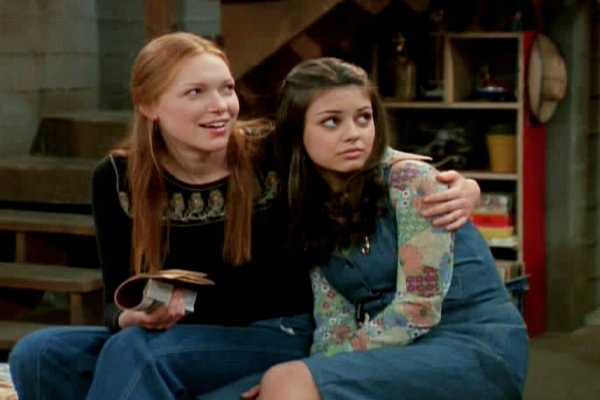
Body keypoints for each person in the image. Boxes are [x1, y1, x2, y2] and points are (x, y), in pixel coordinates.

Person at [8, 34, 480, 400]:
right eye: (196, 92)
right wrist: (132, 316)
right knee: (38, 353)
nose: (220, 106)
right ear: (149, 106)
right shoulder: (115, 178)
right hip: (177, 336)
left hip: (279, 331)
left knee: (140, 356)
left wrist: (462, 186)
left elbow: (360, 151)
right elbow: (116, 299)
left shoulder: (270, 151)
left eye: (227, 89)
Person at [201, 58, 528, 400]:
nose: (353, 134)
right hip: (398, 351)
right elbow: (333, 321)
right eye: (332, 122)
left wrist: (307, 375)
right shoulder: (313, 205)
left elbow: (418, 309)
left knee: (288, 379)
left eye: (363, 118)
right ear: (297, 132)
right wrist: (315, 373)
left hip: (473, 346)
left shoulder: (411, 181)